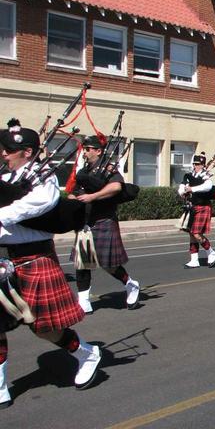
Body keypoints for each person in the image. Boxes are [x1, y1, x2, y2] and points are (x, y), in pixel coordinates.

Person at [0, 120, 102, 407]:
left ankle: (86, 353)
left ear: (27, 152)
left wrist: (1, 213)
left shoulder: (42, 178)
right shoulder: (6, 178)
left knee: (43, 327)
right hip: (3, 258)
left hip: (33, 258)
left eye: (10, 150)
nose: (4, 154)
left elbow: (40, 204)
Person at [68, 135, 140, 314]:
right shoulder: (84, 172)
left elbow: (116, 187)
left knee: (108, 264)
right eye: (84, 149)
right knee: (83, 263)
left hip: (103, 220)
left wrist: (93, 196)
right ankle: (83, 300)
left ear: (98, 151)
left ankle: (131, 284)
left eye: (88, 149)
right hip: (84, 221)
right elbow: (75, 191)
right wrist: (71, 200)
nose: (84, 152)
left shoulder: (108, 169)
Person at [178, 152, 215, 268]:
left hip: (203, 206)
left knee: (196, 233)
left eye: (198, 164)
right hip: (192, 206)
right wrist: (182, 191)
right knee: (191, 233)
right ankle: (194, 260)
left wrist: (192, 189)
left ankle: (210, 252)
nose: (196, 166)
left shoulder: (205, 176)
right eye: (194, 163)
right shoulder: (189, 175)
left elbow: (208, 187)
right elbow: (182, 187)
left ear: (203, 165)